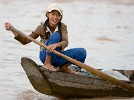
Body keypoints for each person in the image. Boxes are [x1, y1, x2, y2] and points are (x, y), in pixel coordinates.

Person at [5, 3, 87, 74]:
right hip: (44, 56)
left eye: (58, 15)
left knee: (82, 52)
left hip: (57, 56)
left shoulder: (62, 27)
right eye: (53, 14)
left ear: (61, 17)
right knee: (56, 36)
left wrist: (57, 45)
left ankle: (64, 67)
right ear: (48, 14)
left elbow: (65, 42)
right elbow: (25, 41)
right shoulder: (41, 28)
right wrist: (13, 30)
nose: (55, 17)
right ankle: (47, 63)